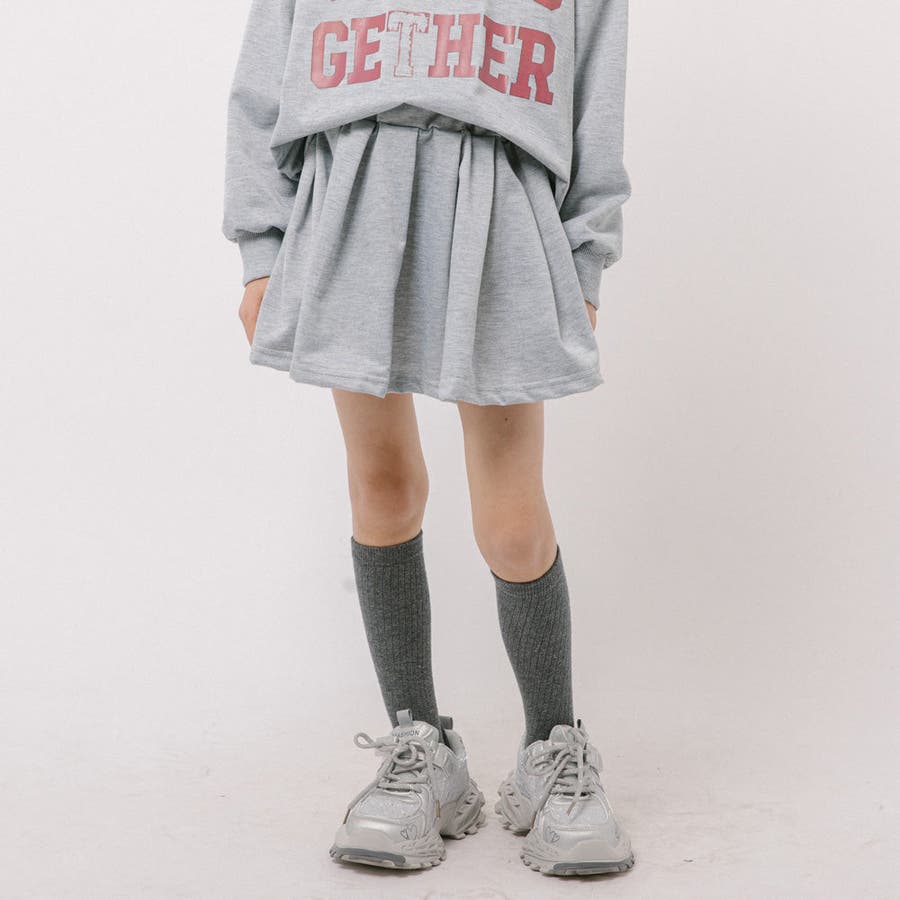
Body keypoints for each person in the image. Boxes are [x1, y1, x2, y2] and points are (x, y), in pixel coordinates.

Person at [223, 0, 634, 878]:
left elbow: (597, 84)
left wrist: (585, 256)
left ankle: (551, 750)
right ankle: (420, 748)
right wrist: (262, 245)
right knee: (383, 486)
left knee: (512, 520)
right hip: (350, 195)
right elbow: (262, 82)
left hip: (505, 203)